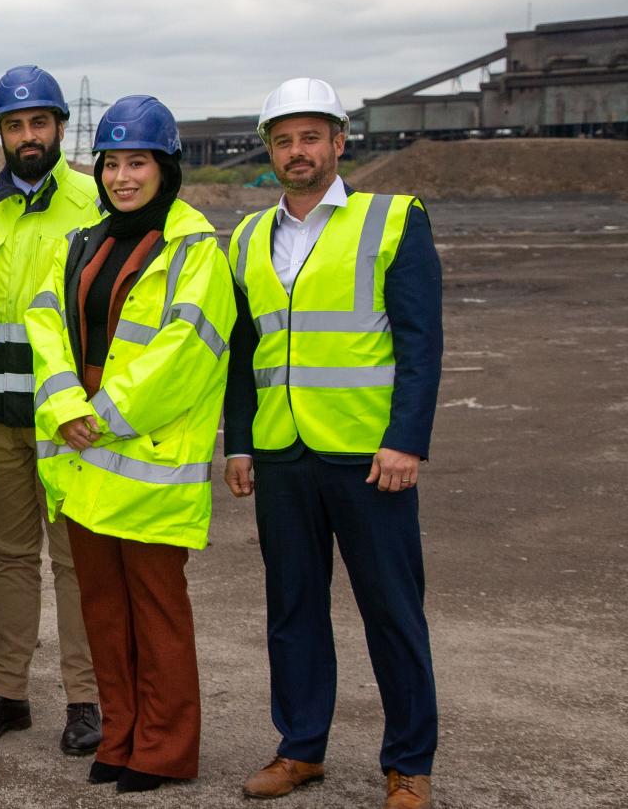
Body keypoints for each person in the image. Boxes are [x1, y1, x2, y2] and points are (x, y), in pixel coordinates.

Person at [226, 79, 443, 809]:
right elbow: (245, 348)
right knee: (293, 608)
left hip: (367, 455)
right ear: (270, 150)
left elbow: (420, 342)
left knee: (391, 609)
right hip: (282, 453)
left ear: (339, 142)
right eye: (283, 140)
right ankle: (300, 749)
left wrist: (406, 439)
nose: (297, 152)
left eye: (310, 137)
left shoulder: (392, 220)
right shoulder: (251, 237)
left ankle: (409, 764)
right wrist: (241, 442)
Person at [26, 95, 233, 793]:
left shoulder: (195, 249)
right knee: (103, 613)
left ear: (164, 168)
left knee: (158, 614)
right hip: (84, 458)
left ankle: (166, 749)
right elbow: (44, 319)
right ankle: (119, 736)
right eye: (111, 163)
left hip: (147, 462)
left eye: (136, 163)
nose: (121, 177)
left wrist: (100, 413)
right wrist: (62, 404)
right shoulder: (84, 240)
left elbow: (185, 352)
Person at [0, 65, 104, 756]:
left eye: (38, 123)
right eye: (14, 126)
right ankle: (8, 694)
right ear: (0, 135)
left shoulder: (96, 203)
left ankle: (86, 700)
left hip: (65, 422)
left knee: (77, 562)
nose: (27, 135)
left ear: (58, 128)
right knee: (11, 557)